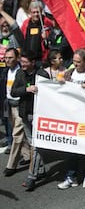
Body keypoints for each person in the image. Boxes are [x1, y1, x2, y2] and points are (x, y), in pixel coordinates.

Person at [58, 48, 85, 190]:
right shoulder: (68, 74)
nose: (75, 64)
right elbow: (57, 88)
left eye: (78, 62)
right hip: (70, 117)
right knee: (71, 148)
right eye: (74, 61)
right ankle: (71, 176)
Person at [10, 51, 49, 191]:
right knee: (33, 143)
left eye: (25, 62)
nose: (23, 64)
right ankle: (42, 170)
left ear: (33, 62)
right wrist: (27, 89)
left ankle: (32, 177)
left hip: (37, 114)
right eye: (22, 62)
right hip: (24, 114)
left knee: (35, 145)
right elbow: (13, 91)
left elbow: (50, 95)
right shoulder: (20, 73)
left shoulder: (42, 75)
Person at [2, 48, 30, 176]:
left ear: (17, 58)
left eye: (10, 58)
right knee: (19, 132)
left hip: (20, 106)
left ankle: (11, 165)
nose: (7, 60)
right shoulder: (5, 71)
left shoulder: (21, 72)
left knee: (16, 135)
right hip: (9, 105)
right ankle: (27, 156)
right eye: (6, 57)